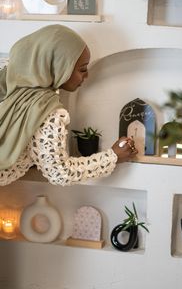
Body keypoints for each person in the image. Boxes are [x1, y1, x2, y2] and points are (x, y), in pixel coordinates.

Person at [0, 24, 138, 186]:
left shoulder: (8, 75)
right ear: (58, 67)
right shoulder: (47, 111)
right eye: (82, 69)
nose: (87, 75)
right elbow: (60, 173)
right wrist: (113, 156)